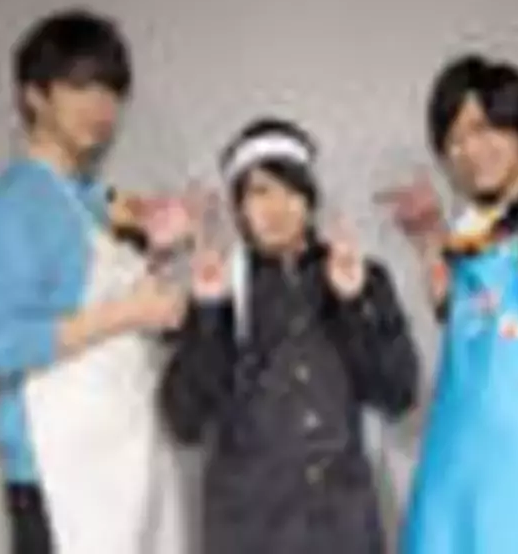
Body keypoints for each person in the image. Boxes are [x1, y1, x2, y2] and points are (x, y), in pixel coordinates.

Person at [159, 117, 420, 554]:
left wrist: (354, 303)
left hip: (343, 529)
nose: (277, 208)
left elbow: (398, 393)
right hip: (249, 531)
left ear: (310, 197)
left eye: (291, 189)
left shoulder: (359, 274)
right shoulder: (217, 285)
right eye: (260, 191)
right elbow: (184, 420)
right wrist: (209, 314)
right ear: (238, 205)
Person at [0, 9, 194, 554]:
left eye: (112, 90)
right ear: (35, 96)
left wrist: (164, 265)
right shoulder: (12, 203)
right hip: (56, 479)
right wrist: (126, 314)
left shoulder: (90, 203)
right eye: (82, 86)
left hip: (121, 461)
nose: (103, 107)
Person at [378, 54, 518, 553]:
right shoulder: (482, 222)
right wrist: (430, 240)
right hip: (463, 480)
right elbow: (465, 321)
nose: (468, 152)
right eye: (452, 142)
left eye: (481, 128)